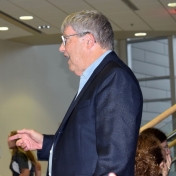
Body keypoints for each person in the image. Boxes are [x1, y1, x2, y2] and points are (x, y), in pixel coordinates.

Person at [8, 10, 143, 176]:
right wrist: (45, 143)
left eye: (65, 39)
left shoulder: (115, 78)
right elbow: (85, 145)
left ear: (88, 40)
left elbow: (113, 161)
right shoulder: (98, 78)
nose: (61, 48)